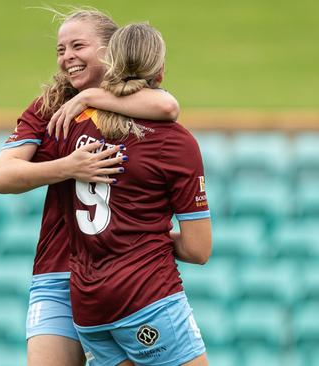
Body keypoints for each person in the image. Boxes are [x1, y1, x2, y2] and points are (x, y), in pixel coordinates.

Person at [0, 8, 180, 366]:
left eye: (78, 46)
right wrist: (67, 167)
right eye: (61, 50)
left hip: (116, 277)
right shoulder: (49, 108)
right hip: (56, 271)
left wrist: (89, 98)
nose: (67, 58)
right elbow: (0, 177)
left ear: (111, 50)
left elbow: (169, 105)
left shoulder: (134, 103)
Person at [56, 22, 212, 366]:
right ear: (160, 70)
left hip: (89, 306)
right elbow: (199, 249)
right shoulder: (174, 141)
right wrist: (143, 238)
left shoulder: (75, 125)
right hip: (146, 295)